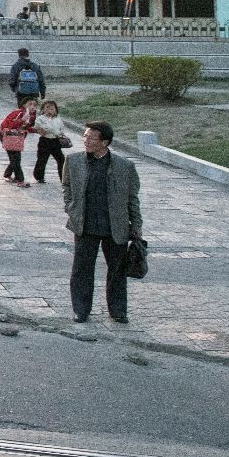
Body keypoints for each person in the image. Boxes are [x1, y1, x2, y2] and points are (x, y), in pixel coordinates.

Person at [63, 121, 142, 324]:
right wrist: (71, 209)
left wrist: (137, 225)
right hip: (85, 225)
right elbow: (67, 188)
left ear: (105, 142)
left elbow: (132, 198)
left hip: (115, 227)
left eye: (91, 137)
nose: (86, 140)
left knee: (117, 270)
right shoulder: (73, 161)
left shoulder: (124, 166)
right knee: (82, 269)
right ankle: (81, 309)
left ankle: (118, 311)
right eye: (85, 136)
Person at [0, 99, 37, 187]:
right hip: (8, 137)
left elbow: (25, 128)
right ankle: (20, 180)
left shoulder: (30, 116)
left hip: (17, 139)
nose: (33, 107)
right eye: (30, 104)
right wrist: (21, 120)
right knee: (16, 159)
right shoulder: (19, 113)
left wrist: (35, 130)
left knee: (15, 159)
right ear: (23, 105)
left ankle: (8, 174)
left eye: (35, 105)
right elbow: (10, 126)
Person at [33, 99, 70, 184]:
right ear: (42, 109)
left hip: (55, 141)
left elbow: (61, 128)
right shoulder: (40, 119)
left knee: (61, 159)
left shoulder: (58, 119)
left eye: (52, 109)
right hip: (45, 141)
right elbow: (39, 128)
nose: (49, 110)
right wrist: (45, 129)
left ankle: (63, 177)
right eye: (47, 108)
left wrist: (61, 134)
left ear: (56, 110)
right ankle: (39, 176)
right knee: (42, 159)